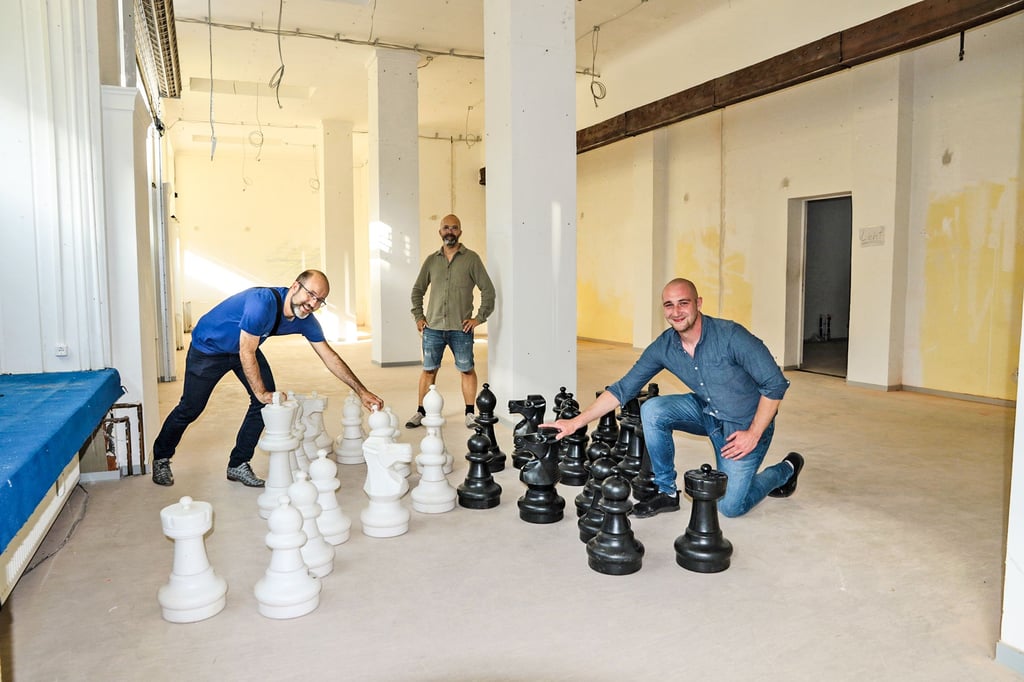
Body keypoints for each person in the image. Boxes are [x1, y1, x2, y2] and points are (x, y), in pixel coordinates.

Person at [544, 278, 803, 518]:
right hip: (707, 412)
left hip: (744, 424)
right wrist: (575, 423)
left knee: (730, 507)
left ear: (698, 303)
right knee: (653, 409)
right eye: (669, 305)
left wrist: (754, 433)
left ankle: (786, 469)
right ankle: (666, 492)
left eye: (683, 303)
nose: (676, 311)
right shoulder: (664, 346)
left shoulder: (731, 336)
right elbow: (623, 389)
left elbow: (775, 384)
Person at [151, 269, 384, 488]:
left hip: (244, 347)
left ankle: (238, 464)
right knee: (191, 408)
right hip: (209, 349)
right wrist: (261, 392)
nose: (313, 303)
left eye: (320, 300)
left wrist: (361, 391)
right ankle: (161, 458)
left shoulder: (305, 320)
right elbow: (246, 352)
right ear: (295, 286)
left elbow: (329, 357)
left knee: (265, 403)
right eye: (311, 294)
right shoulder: (262, 303)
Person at [407, 214, 495, 429]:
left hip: (460, 329)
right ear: (440, 232)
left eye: (454, 228)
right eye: (446, 228)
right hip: (433, 328)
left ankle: (470, 413)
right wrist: (419, 316)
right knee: (428, 370)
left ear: (460, 232)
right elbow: (417, 290)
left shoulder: (471, 259)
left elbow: (488, 290)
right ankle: (421, 411)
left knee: (467, 370)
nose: (450, 231)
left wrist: (478, 318)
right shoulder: (431, 261)